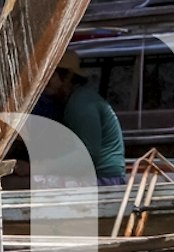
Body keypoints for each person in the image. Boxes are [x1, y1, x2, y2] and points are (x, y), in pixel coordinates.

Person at [44, 49, 126, 185]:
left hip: (103, 179)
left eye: (51, 75)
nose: (45, 81)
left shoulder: (80, 104)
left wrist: (41, 167)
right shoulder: (73, 100)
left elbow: (88, 154)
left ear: (67, 77)